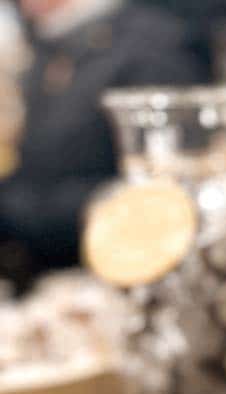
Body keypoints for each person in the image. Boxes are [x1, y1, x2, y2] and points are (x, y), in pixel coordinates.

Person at [0, 0, 209, 289]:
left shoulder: (152, 45)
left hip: (119, 283)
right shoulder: (54, 42)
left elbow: (161, 198)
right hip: (43, 273)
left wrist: (13, 211)